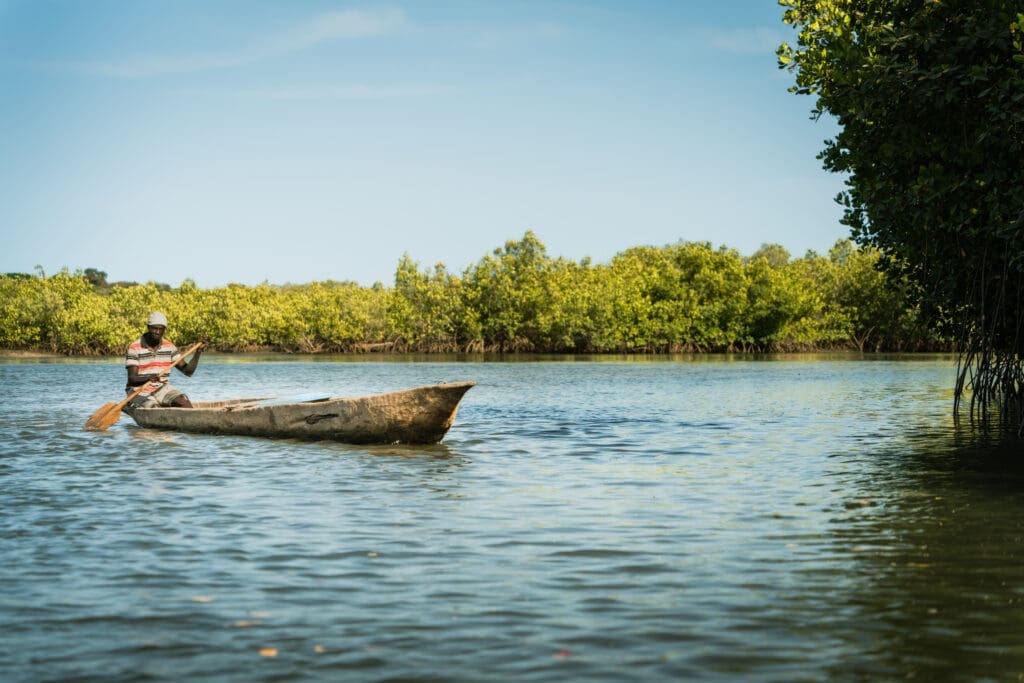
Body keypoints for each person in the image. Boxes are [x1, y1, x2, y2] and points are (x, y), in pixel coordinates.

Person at [125, 312, 203, 408]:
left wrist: (198, 352)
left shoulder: (169, 347)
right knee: (152, 407)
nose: (157, 332)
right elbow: (132, 379)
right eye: (154, 328)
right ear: (148, 327)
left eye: (160, 329)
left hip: (162, 388)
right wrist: (148, 378)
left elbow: (188, 372)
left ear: (164, 330)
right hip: (139, 390)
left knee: (184, 403)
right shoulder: (135, 348)